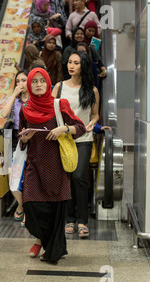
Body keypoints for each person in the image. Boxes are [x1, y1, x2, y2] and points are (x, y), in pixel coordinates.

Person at [19, 67, 86, 264]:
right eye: (34, 81)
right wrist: (25, 138)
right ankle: (41, 238)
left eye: (42, 81)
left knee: (54, 211)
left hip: (57, 166)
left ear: (48, 83)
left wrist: (63, 128)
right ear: (29, 85)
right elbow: (21, 140)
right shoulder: (25, 109)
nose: (38, 84)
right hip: (35, 165)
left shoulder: (59, 104)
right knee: (31, 206)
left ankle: (44, 243)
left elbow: (80, 128)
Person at [52, 51, 99, 239]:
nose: (71, 66)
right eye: (69, 62)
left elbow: (95, 114)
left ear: (83, 66)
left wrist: (93, 122)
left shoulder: (92, 90)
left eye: (76, 63)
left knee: (79, 176)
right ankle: (69, 218)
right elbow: (50, 110)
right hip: (64, 139)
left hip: (84, 138)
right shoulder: (59, 87)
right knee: (66, 177)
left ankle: (82, 220)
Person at [1, 69, 29, 226]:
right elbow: (4, 113)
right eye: (18, 81)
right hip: (19, 143)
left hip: (34, 142)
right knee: (13, 179)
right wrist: (14, 95)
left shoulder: (35, 100)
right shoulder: (16, 101)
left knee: (30, 180)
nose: (20, 84)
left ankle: (28, 213)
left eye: (24, 80)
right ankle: (21, 204)